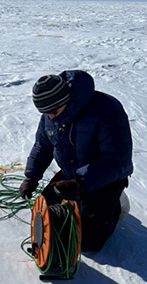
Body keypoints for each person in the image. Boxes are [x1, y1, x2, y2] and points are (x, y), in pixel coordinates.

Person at [20, 70, 133, 251]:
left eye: (52, 111)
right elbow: (43, 146)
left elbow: (117, 160)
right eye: (45, 112)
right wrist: (31, 177)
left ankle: (118, 203)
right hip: (71, 173)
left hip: (105, 178)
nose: (49, 117)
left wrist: (80, 183)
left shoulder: (106, 110)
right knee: (46, 211)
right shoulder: (51, 114)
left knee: (87, 240)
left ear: (65, 100)